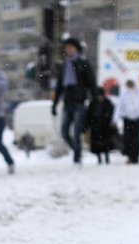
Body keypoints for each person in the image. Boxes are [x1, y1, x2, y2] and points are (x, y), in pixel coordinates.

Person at [52, 36, 96, 165]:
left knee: (77, 131)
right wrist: (54, 104)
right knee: (64, 132)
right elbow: (59, 86)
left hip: (80, 102)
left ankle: (77, 159)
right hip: (68, 102)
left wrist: (94, 101)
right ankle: (77, 152)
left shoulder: (83, 64)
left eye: (70, 47)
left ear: (76, 49)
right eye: (66, 47)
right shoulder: (64, 65)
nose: (68, 50)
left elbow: (91, 83)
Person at [112, 77, 139, 164]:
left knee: (136, 138)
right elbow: (119, 106)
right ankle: (129, 155)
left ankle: (135, 156)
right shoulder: (124, 92)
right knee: (127, 138)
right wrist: (115, 119)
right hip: (127, 117)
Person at [83, 87, 114, 164]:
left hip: (105, 126)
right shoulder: (93, 103)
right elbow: (88, 116)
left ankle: (106, 156)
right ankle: (99, 157)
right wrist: (86, 126)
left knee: (106, 142)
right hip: (95, 126)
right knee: (96, 143)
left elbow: (111, 113)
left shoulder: (108, 103)